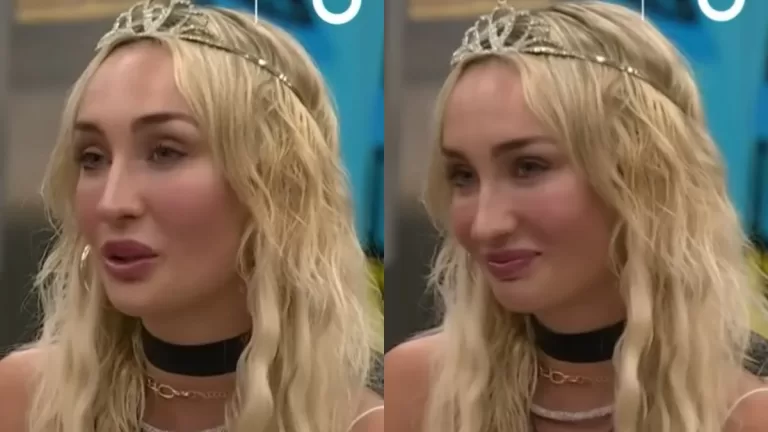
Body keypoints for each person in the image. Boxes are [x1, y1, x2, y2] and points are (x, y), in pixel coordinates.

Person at [0, 0, 383, 431]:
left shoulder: (365, 423)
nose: (111, 202)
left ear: (276, 183)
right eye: (92, 157)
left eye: (165, 152)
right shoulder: (28, 401)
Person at [386, 1, 768, 431]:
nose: (485, 224)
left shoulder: (745, 415)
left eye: (528, 167)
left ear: (642, 175)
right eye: (463, 176)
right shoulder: (415, 392)